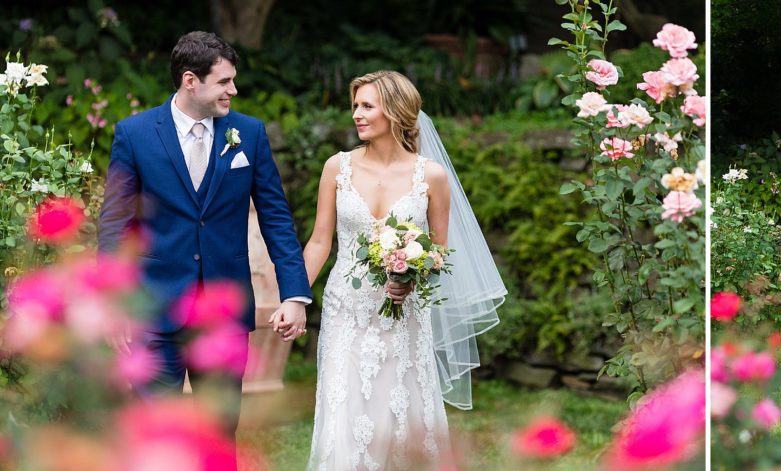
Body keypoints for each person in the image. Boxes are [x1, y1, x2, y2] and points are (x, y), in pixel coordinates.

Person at [97, 31, 312, 467]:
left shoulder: (248, 134)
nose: (234, 90)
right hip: (153, 312)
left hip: (223, 315)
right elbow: (115, 225)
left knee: (218, 435)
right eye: (225, 81)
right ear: (190, 80)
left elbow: (275, 218)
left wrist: (294, 293)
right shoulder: (135, 135)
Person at [301, 70, 504, 470]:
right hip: (347, 309)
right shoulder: (336, 168)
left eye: (367, 106)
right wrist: (294, 296)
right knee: (343, 411)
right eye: (355, 105)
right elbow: (320, 242)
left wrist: (412, 277)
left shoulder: (430, 176)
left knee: (400, 413)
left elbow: (440, 253)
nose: (356, 114)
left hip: (404, 317)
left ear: (394, 112)